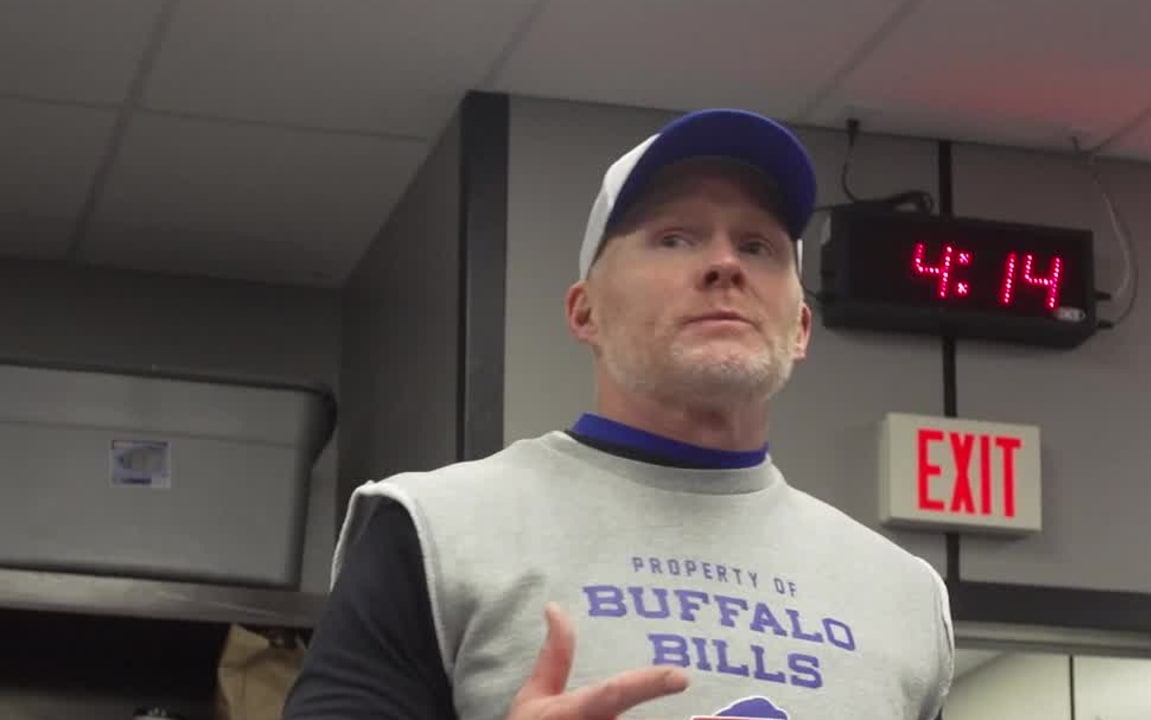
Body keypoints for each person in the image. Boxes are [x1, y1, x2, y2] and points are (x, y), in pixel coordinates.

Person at [282, 108, 954, 720]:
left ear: (801, 327)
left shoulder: (905, 598)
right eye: (675, 238)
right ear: (585, 312)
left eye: (758, 247)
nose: (724, 264)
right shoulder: (438, 531)